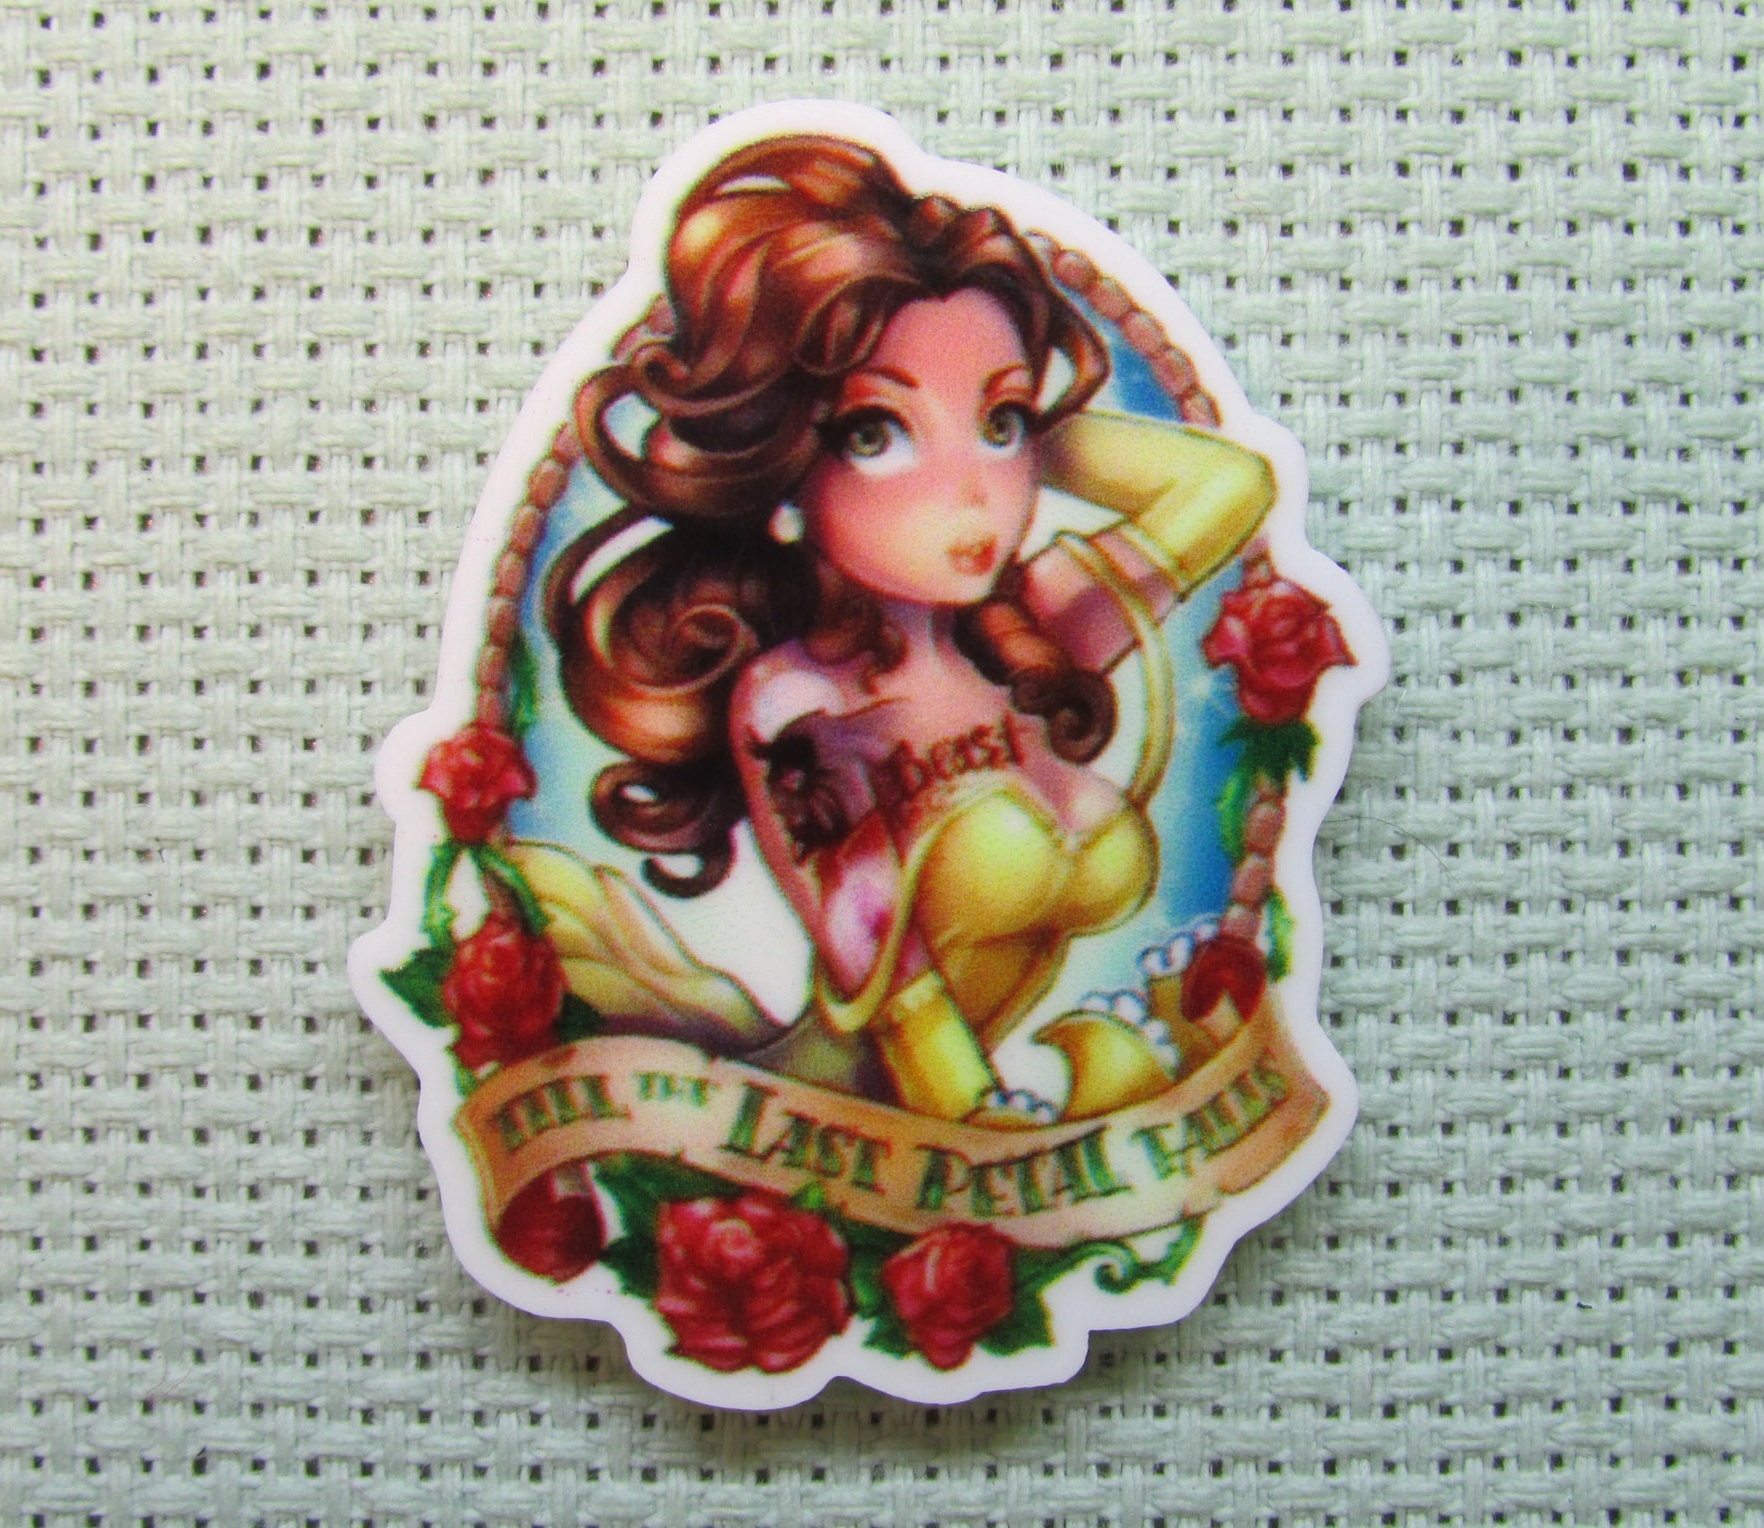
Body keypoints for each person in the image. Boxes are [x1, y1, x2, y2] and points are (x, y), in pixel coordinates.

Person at [542, 135, 1274, 1123]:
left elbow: (1230, 484)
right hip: (861, 1102)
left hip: (974, 1116)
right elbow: (864, 935)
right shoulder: (804, 696)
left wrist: (1024, 421)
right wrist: (966, 1114)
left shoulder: (1032, 625)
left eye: (999, 428)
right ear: (786, 464)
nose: (969, 495)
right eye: (875, 433)